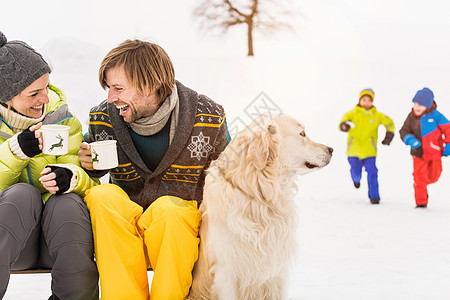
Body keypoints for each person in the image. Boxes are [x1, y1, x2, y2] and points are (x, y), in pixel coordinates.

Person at [78, 39, 230, 299]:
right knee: (103, 196)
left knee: (170, 209)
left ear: (151, 84)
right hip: (125, 225)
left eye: (118, 88)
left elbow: (229, 175)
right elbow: (91, 166)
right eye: (108, 88)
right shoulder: (103, 116)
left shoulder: (209, 116)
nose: (111, 98)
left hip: (177, 228)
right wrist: (88, 166)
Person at [0, 32, 99, 300]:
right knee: (23, 194)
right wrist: (14, 152)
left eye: (46, 87)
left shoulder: (63, 120)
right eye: (34, 93)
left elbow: (90, 186)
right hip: (11, 244)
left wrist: (72, 177)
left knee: (65, 202)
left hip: (59, 240)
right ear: (6, 97)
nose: (45, 98)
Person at [339, 88, 395, 204]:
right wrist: (345, 126)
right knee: (356, 172)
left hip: (370, 151)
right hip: (354, 150)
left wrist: (389, 135)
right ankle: (356, 179)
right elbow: (341, 123)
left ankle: (374, 196)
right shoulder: (352, 113)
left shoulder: (377, 115)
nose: (366, 102)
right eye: (364, 99)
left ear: (372, 102)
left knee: (372, 172)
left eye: (369, 100)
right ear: (360, 100)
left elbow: (389, 123)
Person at [399, 88, 450, 208]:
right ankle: (421, 202)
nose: (417, 107)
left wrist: (448, 144)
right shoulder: (411, 116)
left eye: (420, 104)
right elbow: (404, 131)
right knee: (419, 177)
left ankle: (423, 185)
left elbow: (448, 129)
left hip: (435, 152)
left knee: (434, 176)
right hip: (418, 153)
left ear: (428, 105)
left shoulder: (436, 116)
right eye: (415, 103)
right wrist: (412, 141)